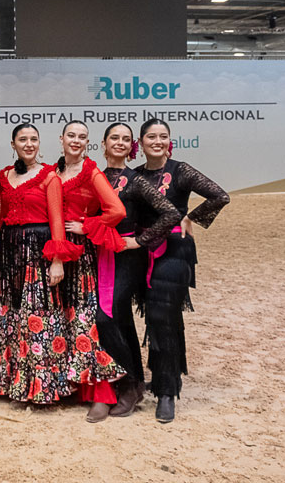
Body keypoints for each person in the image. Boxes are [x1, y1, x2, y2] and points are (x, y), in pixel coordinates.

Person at [0, 124, 81, 403]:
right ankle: (9, 379)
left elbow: (57, 220)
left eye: (33, 139)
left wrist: (57, 260)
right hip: (10, 254)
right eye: (23, 140)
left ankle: (40, 382)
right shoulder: (5, 176)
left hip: (38, 253)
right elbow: (2, 217)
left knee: (37, 315)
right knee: (10, 315)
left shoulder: (49, 177)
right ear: (13, 144)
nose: (29, 144)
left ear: (39, 143)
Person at [135, 118, 229, 423]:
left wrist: (192, 218)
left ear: (169, 140)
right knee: (153, 315)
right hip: (144, 251)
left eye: (163, 136)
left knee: (165, 317)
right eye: (151, 136)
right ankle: (159, 377)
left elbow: (220, 195)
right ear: (141, 141)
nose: (157, 141)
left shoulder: (181, 170)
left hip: (174, 252)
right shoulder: (135, 175)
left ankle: (168, 392)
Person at [98, 123, 179, 417]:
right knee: (119, 320)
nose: (119, 143)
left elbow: (170, 213)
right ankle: (130, 385)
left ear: (132, 146)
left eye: (125, 139)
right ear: (104, 143)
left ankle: (130, 379)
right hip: (99, 257)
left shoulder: (136, 181)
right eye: (114, 138)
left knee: (106, 314)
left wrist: (140, 241)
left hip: (127, 259)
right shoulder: (95, 176)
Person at [55, 120, 127, 423]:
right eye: (71, 135)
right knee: (63, 320)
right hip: (55, 251)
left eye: (82, 137)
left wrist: (87, 226)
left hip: (80, 254)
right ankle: (75, 386)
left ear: (88, 142)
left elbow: (117, 211)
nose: (76, 140)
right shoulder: (53, 172)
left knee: (85, 322)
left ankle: (102, 395)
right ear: (61, 139)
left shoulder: (91, 172)